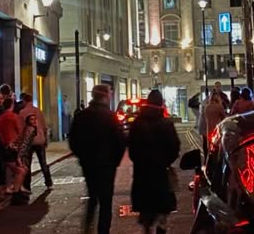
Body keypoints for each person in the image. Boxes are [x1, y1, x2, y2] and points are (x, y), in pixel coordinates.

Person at [69, 83, 125, 234]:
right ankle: (103, 231)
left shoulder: (81, 116)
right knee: (106, 202)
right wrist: (115, 161)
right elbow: (120, 142)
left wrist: (82, 157)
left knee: (92, 196)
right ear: (105, 96)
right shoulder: (110, 117)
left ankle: (87, 227)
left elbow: (73, 139)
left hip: (89, 164)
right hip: (107, 165)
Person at [128, 89, 180, 234]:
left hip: (142, 173)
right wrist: (165, 161)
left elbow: (131, 149)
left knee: (146, 207)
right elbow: (174, 148)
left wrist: (140, 161)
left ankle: (147, 226)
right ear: (160, 104)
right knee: (161, 208)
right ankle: (160, 226)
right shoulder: (166, 124)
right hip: (160, 173)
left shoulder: (137, 123)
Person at [18, 92, 53, 191]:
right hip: (39, 140)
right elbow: (44, 126)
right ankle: (48, 182)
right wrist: (46, 139)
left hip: (28, 141)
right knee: (43, 162)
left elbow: (20, 128)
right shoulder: (38, 111)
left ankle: (27, 185)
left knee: (27, 163)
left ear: (24, 101)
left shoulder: (22, 113)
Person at [0, 98, 25, 196]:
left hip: (4, 145)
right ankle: (17, 188)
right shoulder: (14, 117)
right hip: (15, 146)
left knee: (9, 167)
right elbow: (20, 131)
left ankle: (9, 186)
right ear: (12, 105)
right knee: (20, 169)